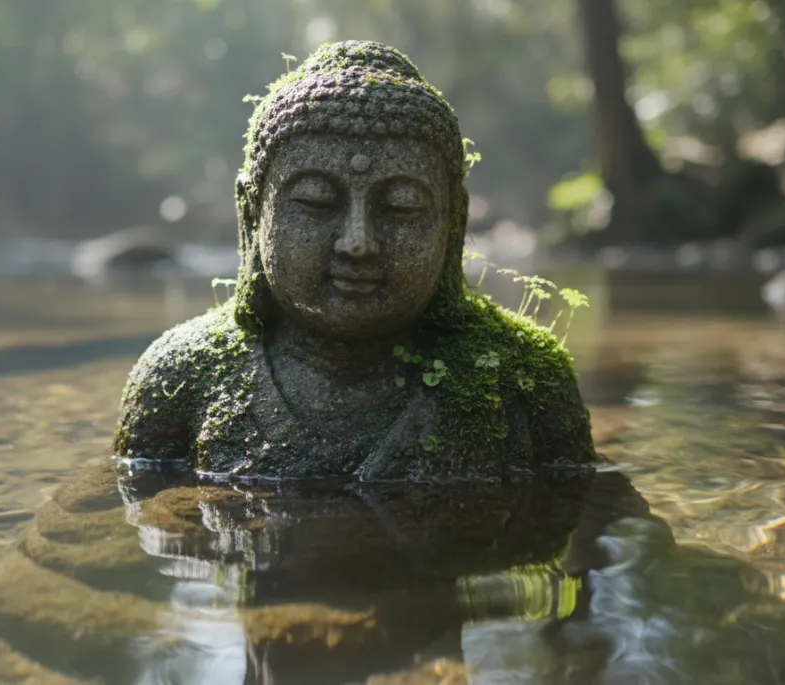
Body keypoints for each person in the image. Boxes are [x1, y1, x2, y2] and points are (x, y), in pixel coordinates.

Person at [113, 40, 595, 481]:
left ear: (454, 224)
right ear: (252, 214)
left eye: (402, 207)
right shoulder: (178, 378)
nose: (357, 242)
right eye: (317, 202)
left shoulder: (523, 382)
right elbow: (101, 523)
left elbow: (594, 523)